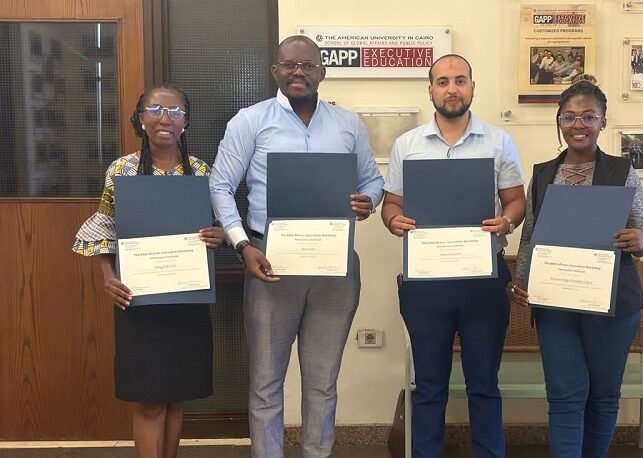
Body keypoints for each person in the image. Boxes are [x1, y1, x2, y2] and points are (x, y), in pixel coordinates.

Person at [209, 35, 384, 458]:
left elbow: (373, 180)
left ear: (322, 71)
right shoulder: (250, 122)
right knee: (267, 380)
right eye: (289, 65)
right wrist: (241, 244)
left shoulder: (347, 124)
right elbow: (220, 183)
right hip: (270, 261)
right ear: (276, 71)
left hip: (334, 268)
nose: (299, 72)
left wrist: (370, 200)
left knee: (323, 380)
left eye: (308, 65)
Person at [381, 54, 526, 458]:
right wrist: (394, 221)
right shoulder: (407, 145)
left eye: (459, 80)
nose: (451, 89)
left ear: (472, 87)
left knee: (483, 383)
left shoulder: (499, 141)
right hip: (425, 280)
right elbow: (390, 205)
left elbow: (516, 201)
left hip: (483, 279)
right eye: (442, 81)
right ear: (431, 90)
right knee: (429, 385)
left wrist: (508, 223)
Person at [72, 84, 224, 458]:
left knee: (175, 397)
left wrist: (218, 235)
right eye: (155, 109)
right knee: (149, 400)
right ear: (140, 118)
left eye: (175, 111)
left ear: (186, 122)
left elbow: (221, 226)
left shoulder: (202, 171)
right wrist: (109, 278)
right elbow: (103, 229)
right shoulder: (121, 170)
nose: (165, 118)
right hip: (138, 298)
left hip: (187, 299)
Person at [507, 75, 643, 458]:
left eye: (588, 117)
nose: (579, 125)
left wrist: (639, 241)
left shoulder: (623, 171)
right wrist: (521, 281)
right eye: (570, 117)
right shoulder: (542, 174)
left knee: (603, 397)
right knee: (565, 395)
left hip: (612, 306)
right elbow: (530, 236)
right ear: (558, 121)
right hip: (556, 304)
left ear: (603, 121)